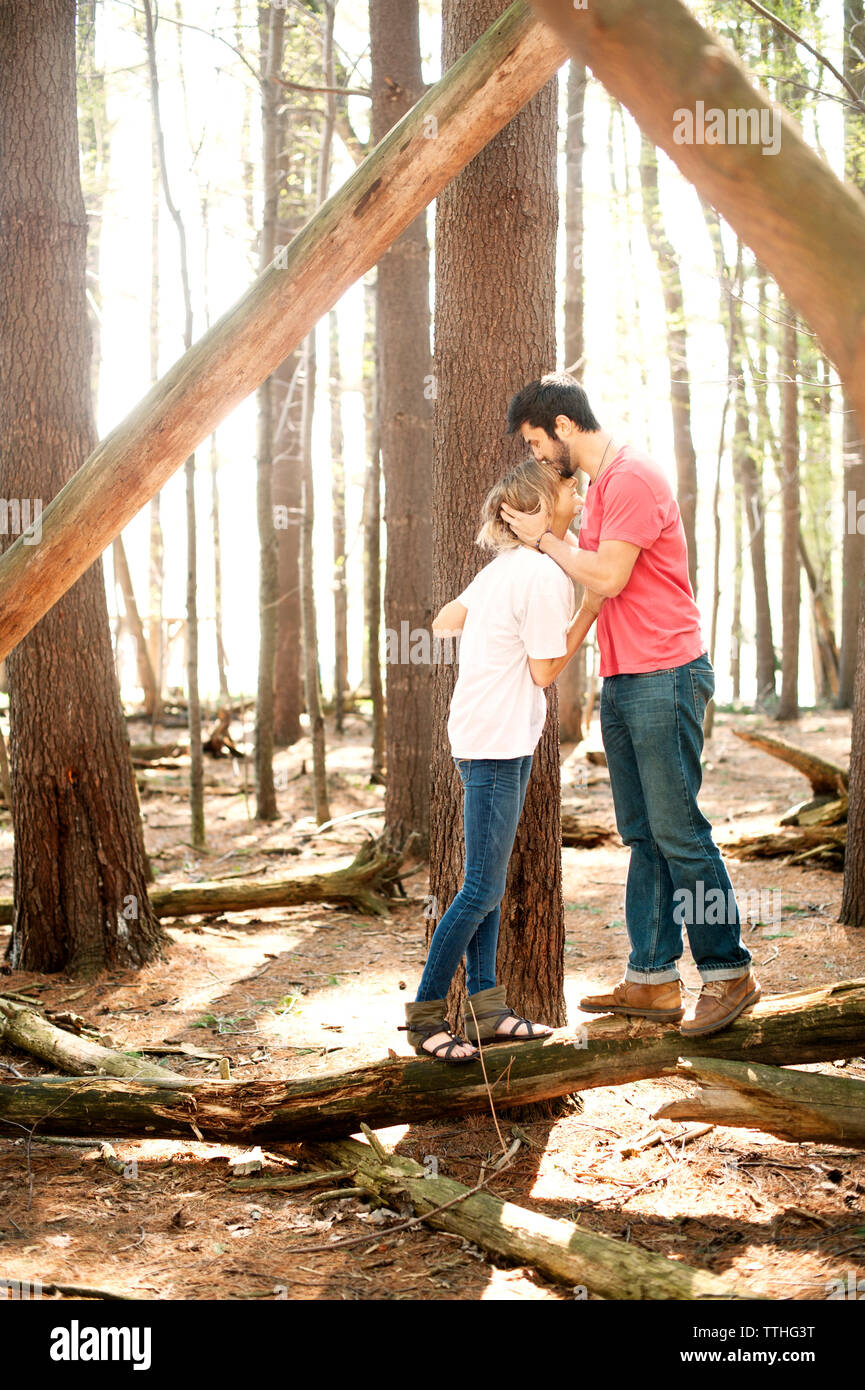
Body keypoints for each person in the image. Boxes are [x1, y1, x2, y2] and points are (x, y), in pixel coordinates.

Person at [501, 373, 760, 1039]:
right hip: (624, 678)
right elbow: (595, 594)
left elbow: (609, 576)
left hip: (665, 674)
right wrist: (554, 655)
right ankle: (652, 978)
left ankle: (728, 971)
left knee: (679, 832)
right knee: (644, 834)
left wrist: (545, 539)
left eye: (536, 441)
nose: (537, 455)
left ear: (562, 426)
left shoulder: (633, 477)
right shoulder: (602, 490)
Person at [401, 457, 601, 1063]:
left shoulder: (504, 568)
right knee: (481, 888)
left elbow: (444, 623)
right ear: (537, 508)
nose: (578, 493)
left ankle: (488, 1010)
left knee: (486, 886)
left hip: (494, 737)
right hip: (493, 741)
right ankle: (425, 1017)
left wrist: (490, 619)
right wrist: (589, 610)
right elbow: (544, 671)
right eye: (567, 489)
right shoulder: (542, 575)